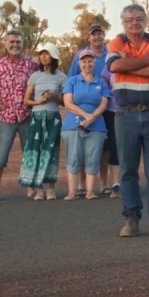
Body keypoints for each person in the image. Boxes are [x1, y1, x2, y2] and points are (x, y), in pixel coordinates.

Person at [106, 4, 149, 238]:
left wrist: (132, 65)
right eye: (129, 20)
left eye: (138, 19)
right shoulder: (117, 42)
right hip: (125, 114)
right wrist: (148, 60)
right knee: (127, 169)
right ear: (123, 22)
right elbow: (114, 66)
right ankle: (131, 218)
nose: (134, 23)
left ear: (145, 20)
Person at [0, 30, 39, 201]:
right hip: (6, 117)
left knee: (29, 152)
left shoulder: (32, 64)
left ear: (23, 43)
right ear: (5, 43)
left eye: (18, 42)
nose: (15, 45)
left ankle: (31, 187)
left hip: (26, 115)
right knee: (0, 154)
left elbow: (40, 84)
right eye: (12, 42)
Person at [69, 23, 119, 197]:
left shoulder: (109, 55)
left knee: (104, 147)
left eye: (100, 34)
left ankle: (104, 183)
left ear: (103, 36)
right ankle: (83, 185)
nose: (97, 37)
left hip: (106, 105)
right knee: (82, 145)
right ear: (89, 37)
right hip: (83, 107)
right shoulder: (80, 56)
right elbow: (72, 79)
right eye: (93, 34)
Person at [62, 51, 112, 200]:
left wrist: (92, 117)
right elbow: (68, 103)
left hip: (97, 125)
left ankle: (90, 191)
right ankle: (72, 191)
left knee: (93, 157)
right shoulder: (72, 81)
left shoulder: (101, 82)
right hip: (73, 124)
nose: (87, 64)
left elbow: (104, 103)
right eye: (84, 61)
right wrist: (85, 116)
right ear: (79, 64)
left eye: (90, 61)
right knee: (74, 156)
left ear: (94, 64)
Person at [20, 44, 67, 200]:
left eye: (47, 54)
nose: (43, 56)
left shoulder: (61, 77)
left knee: (51, 152)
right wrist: (39, 101)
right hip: (37, 118)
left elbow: (66, 102)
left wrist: (53, 97)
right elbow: (26, 100)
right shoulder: (35, 76)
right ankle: (38, 188)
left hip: (53, 117)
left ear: (53, 56)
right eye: (42, 54)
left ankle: (50, 187)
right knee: (36, 150)